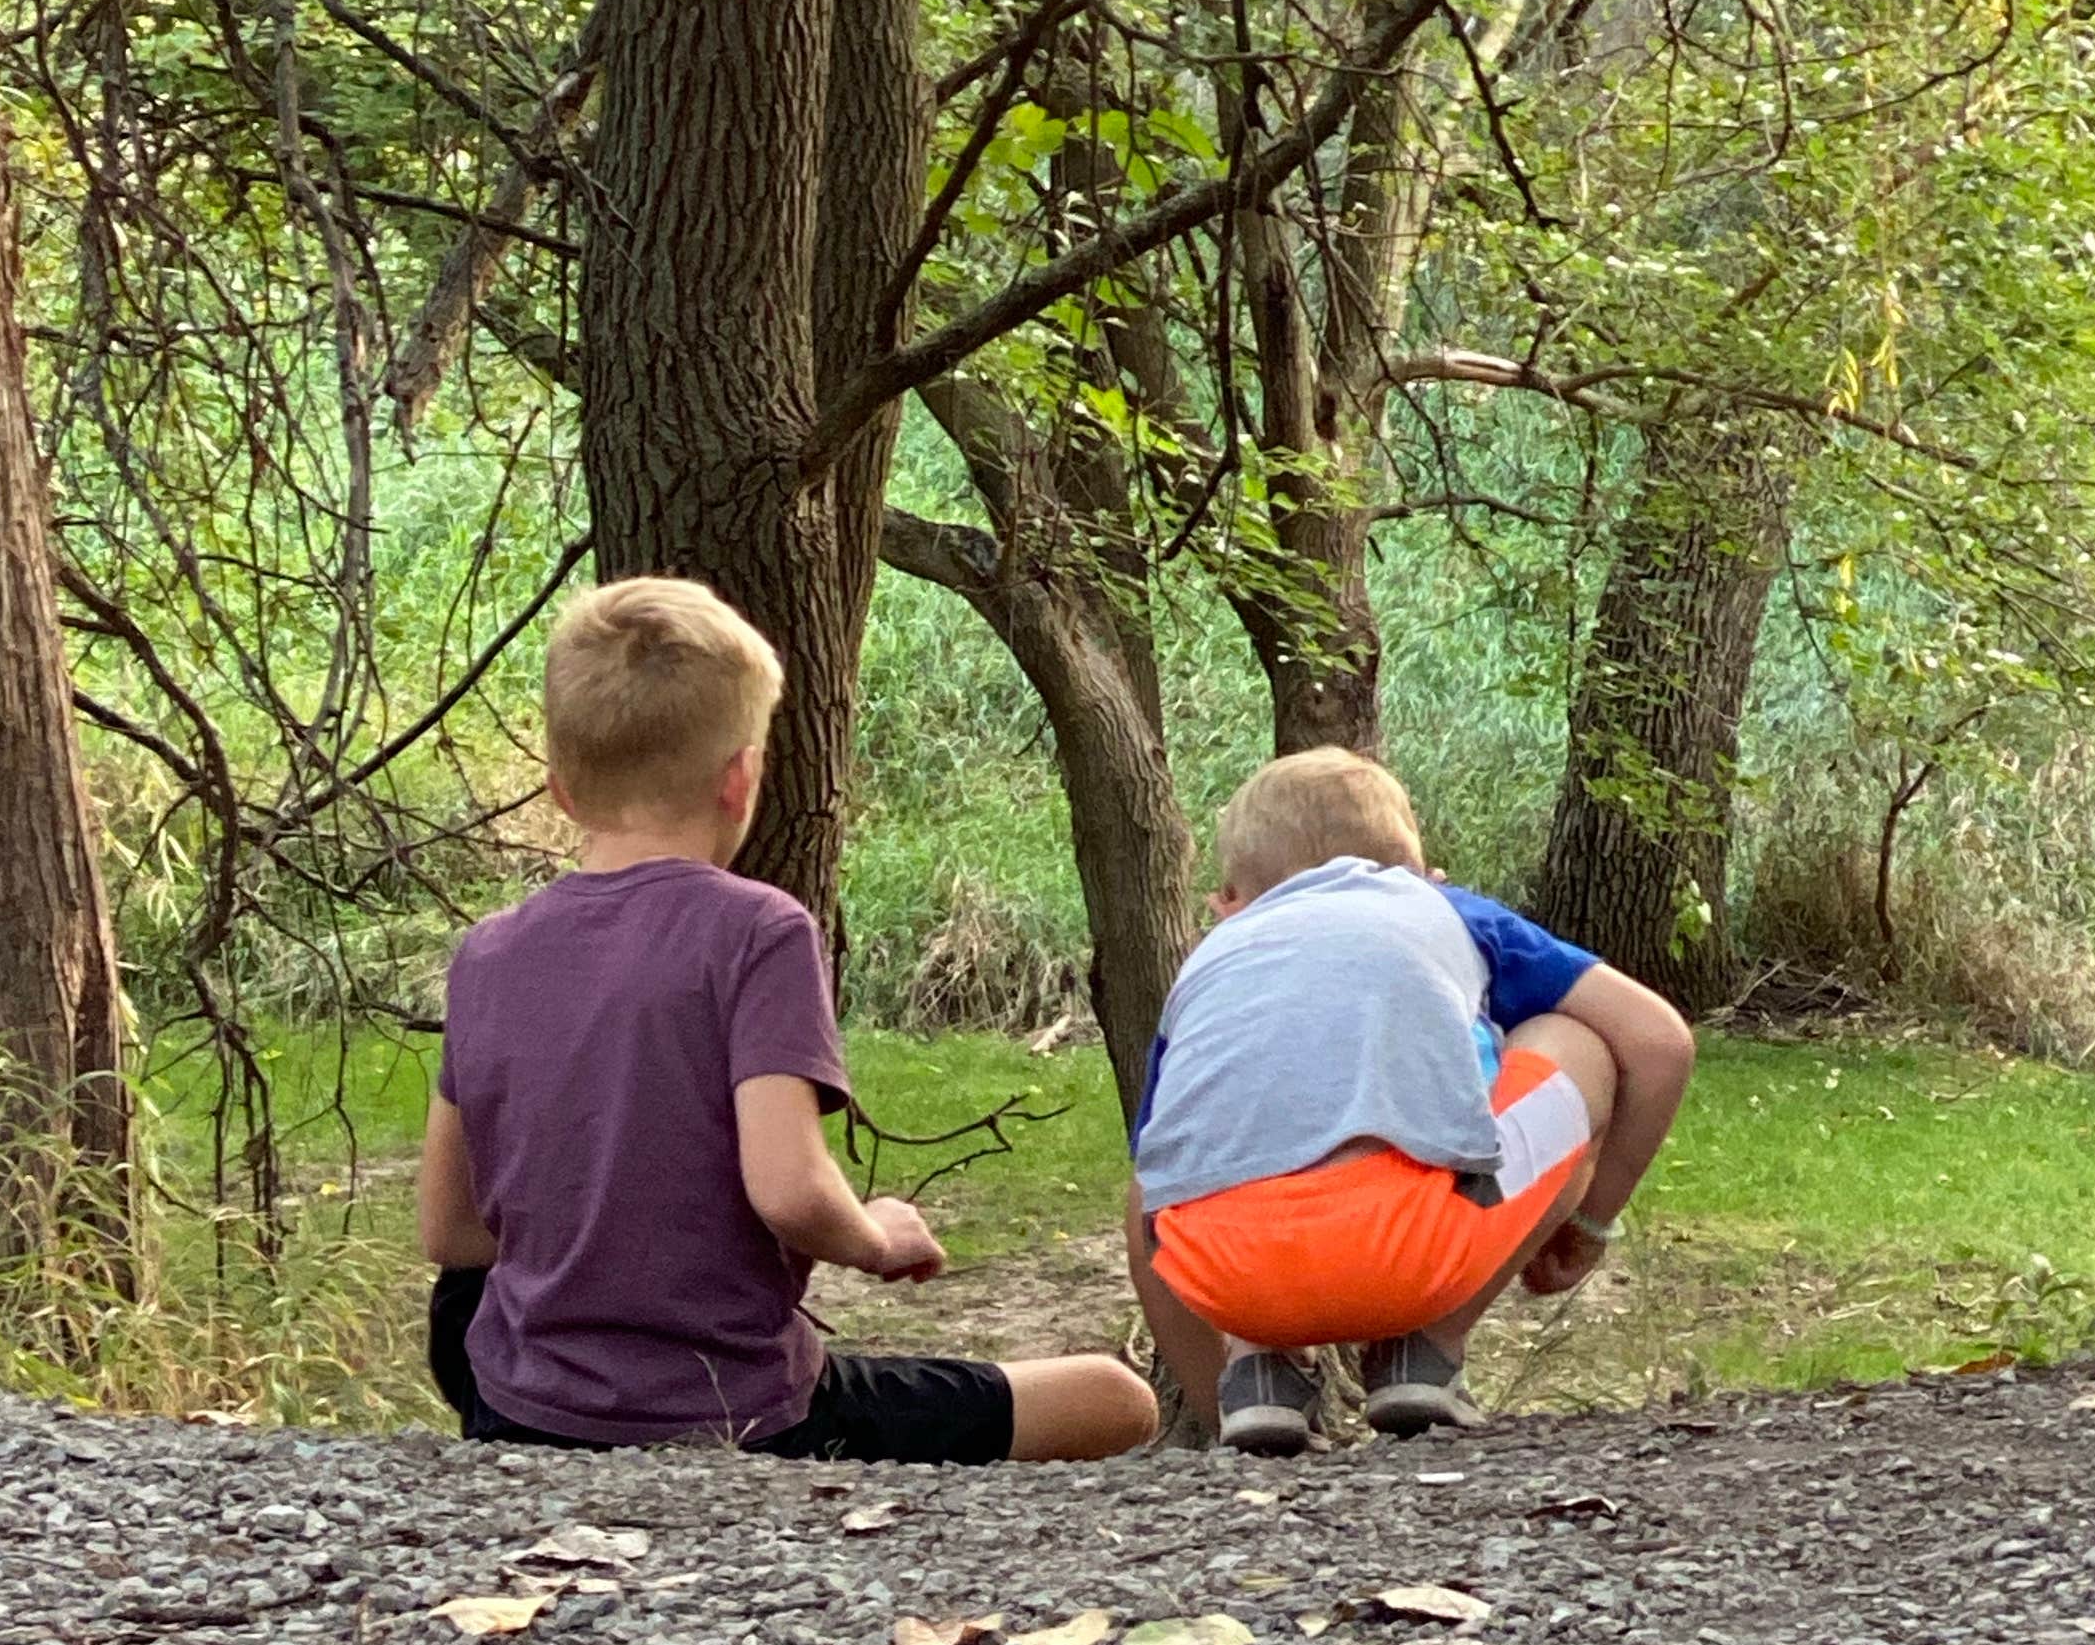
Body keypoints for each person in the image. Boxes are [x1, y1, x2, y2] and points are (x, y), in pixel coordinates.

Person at [420, 574, 1158, 1466]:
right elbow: (790, 1191)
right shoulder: (757, 930)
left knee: (468, 1307)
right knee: (1116, 1400)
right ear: (742, 779)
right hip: (744, 1408)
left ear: (561, 790)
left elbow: (451, 1234)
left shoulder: (488, 953)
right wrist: (878, 1235)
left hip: (519, 1405)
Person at [1124, 747, 1695, 1454]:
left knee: (1155, 1181)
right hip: (1415, 1257)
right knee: (1575, 1038)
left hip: (1225, 1274)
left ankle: (1245, 1384)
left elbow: (1160, 1162)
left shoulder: (1209, 963)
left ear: (1227, 903)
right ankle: (1425, 1349)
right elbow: (1660, 1044)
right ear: (1426, 876)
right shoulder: (1445, 912)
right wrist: (1588, 1223)